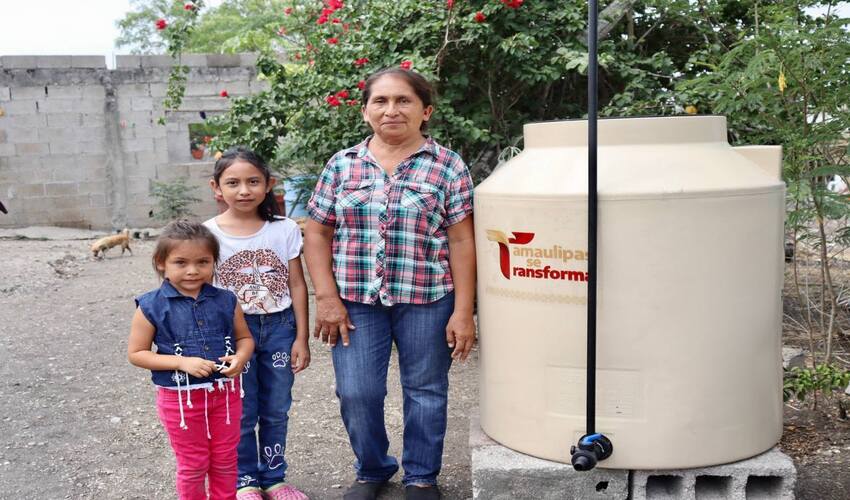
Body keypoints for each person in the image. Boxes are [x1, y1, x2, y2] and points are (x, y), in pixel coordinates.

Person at [304, 68, 477, 500]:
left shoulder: (447, 166)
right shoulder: (342, 165)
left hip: (428, 298)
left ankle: (421, 477)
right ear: (365, 111)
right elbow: (317, 232)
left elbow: (461, 240)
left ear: (425, 111)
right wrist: (326, 297)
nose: (391, 110)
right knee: (357, 391)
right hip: (355, 301)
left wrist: (463, 311)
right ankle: (373, 469)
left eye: (404, 101)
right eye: (380, 101)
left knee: (426, 390)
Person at [204, 147, 311, 500]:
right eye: (233, 183)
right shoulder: (207, 234)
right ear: (216, 188)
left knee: (277, 408)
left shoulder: (284, 229)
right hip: (232, 333)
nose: (244, 190)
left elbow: (297, 284)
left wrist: (302, 337)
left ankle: (274, 478)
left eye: (253, 181)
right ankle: (245, 481)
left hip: (280, 328)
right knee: (242, 409)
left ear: (269, 184)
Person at [128, 220, 255, 500]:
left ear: (214, 262)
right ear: (161, 263)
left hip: (226, 395)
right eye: (181, 262)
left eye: (202, 262)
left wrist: (241, 357)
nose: (192, 270)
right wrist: (181, 362)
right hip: (180, 401)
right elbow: (137, 353)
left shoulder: (227, 300)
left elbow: (245, 338)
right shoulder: (151, 305)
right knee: (194, 464)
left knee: (225, 459)